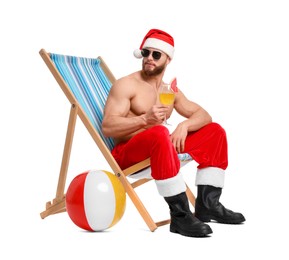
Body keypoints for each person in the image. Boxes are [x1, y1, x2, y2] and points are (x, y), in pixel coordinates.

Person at [102, 28, 245, 237]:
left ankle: (208, 205)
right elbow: (108, 126)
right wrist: (144, 119)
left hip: (160, 150)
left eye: (156, 54)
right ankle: (180, 217)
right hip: (128, 156)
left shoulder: (169, 91)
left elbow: (204, 115)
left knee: (215, 132)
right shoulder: (126, 85)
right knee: (160, 132)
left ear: (167, 59)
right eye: (145, 53)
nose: (149, 58)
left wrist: (183, 126)